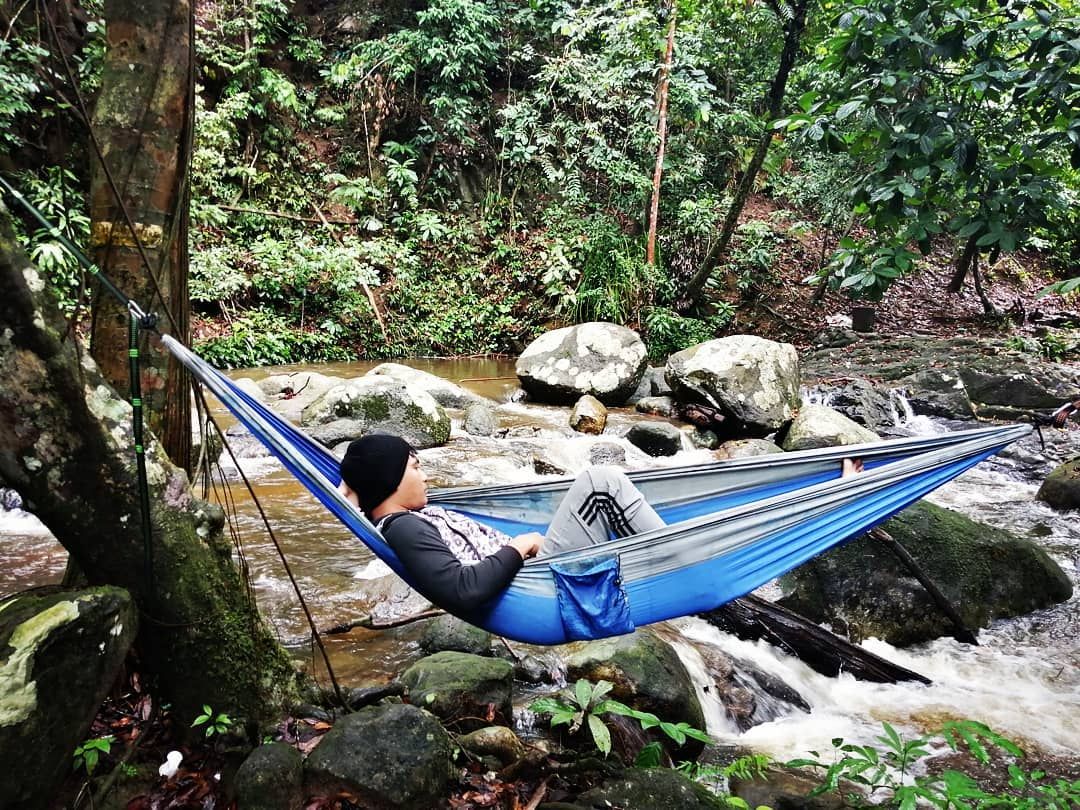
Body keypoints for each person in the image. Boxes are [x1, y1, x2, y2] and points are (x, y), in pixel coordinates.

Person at [337, 433, 665, 616]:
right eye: (415, 468)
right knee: (601, 481)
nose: (424, 476)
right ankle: (674, 555)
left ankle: (667, 556)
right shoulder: (403, 528)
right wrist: (520, 546)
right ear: (389, 479)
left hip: (540, 576)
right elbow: (464, 589)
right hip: (546, 587)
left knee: (605, 489)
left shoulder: (409, 520)